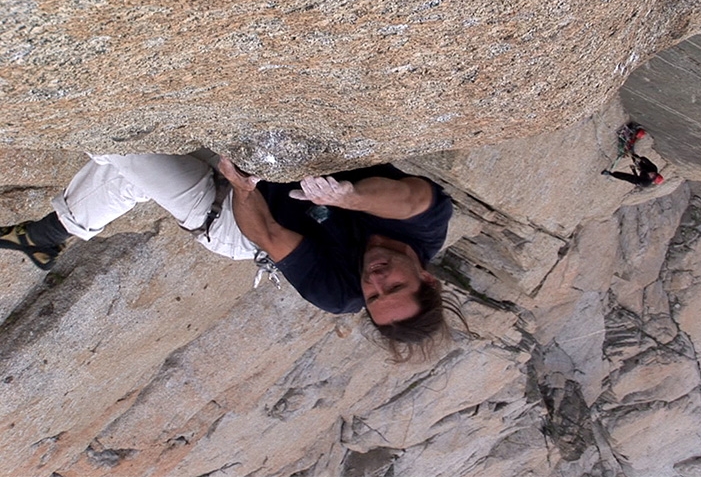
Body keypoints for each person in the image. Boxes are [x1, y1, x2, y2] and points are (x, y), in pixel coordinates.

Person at [0, 152, 459, 361]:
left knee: (122, 146)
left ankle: (45, 236)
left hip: (236, 221)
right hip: (273, 165)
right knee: (133, 176)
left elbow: (267, 231)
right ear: (427, 278)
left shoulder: (338, 293)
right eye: (394, 285)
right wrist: (350, 197)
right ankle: (43, 237)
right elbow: (409, 198)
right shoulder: (425, 227)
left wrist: (242, 187)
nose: (376, 279)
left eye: (374, 296)